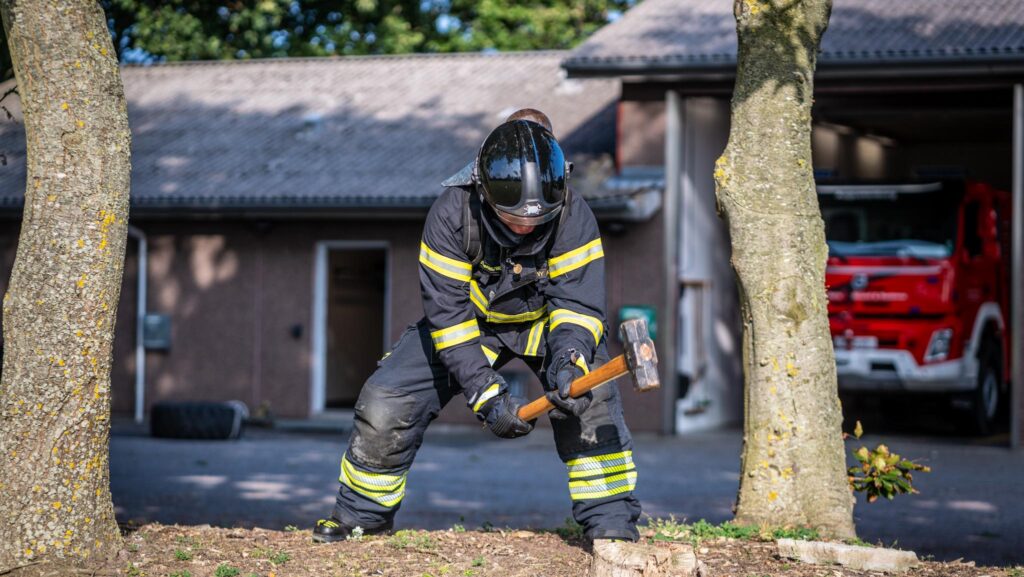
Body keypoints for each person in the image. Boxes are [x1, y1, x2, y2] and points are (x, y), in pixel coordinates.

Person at [312, 108, 641, 544]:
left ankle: (611, 526)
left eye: (536, 217)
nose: (526, 225)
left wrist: (571, 360)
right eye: (513, 218)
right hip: (473, 327)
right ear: (483, 188)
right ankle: (362, 518)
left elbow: (578, 306)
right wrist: (489, 398)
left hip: (547, 325)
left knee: (591, 398)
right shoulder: (450, 215)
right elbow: (448, 320)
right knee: (387, 400)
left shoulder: (572, 214)